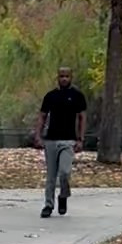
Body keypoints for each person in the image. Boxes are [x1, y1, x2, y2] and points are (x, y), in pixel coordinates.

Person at [36, 67, 87, 218]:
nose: (64, 79)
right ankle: (48, 205)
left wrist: (80, 139)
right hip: (51, 140)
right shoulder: (50, 96)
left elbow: (82, 118)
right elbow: (42, 116)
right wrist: (38, 135)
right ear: (57, 77)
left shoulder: (77, 96)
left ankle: (63, 196)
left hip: (68, 140)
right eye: (61, 76)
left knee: (64, 172)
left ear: (71, 77)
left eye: (67, 76)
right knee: (51, 176)